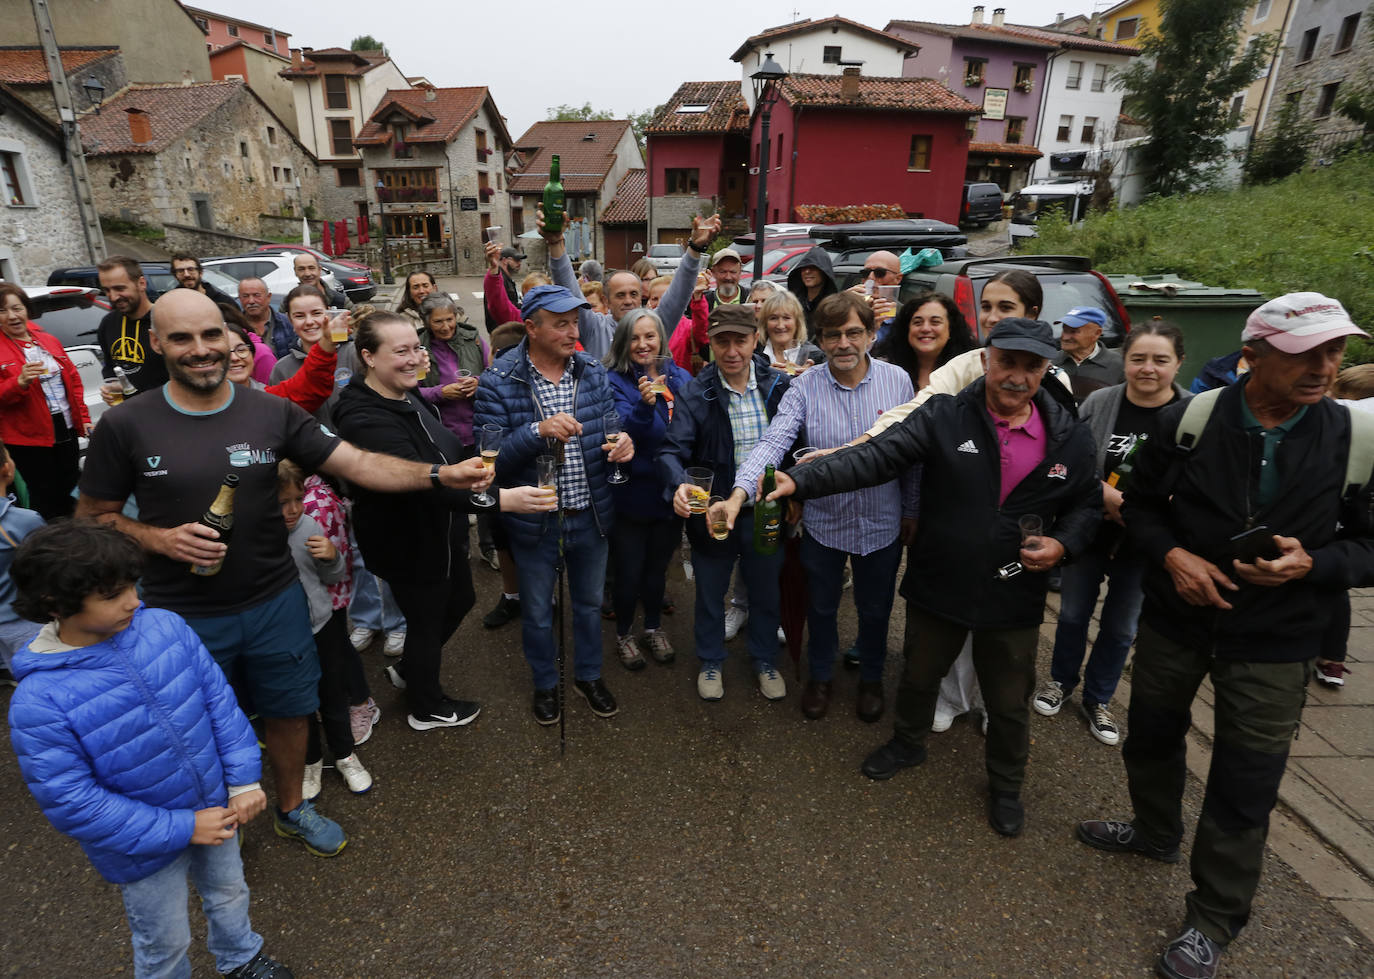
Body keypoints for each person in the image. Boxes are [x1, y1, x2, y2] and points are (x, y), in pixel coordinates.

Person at [75, 287, 495, 857]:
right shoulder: (127, 424)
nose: (200, 350)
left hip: (277, 599)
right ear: (157, 343)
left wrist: (442, 477)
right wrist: (159, 538)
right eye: (181, 338)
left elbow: (357, 463)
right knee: (192, 724)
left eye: (210, 335)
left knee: (292, 709)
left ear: (231, 339)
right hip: (184, 612)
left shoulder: (271, 411)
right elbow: (94, 518)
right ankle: (202, 825)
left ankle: (293, 807)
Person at [1077, 294, 1374, 979]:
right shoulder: (1190, 419)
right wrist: (1174, 557)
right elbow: (1142, 507)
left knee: (1245, 778)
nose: (1324, 367)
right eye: (1306, 353)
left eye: (1336, 351)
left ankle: (1214, 915)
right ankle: (1154, 829)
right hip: (1178, 619)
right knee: (1151, 732)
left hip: (1279, 637)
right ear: (1255, 354)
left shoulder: (1354, 439)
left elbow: (1367, 545)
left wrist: (1316, 564)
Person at [767, 317, 1099, 837]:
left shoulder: (1068, 436)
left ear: (1044, 370)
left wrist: (1064, 544)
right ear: (987, 358)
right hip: (941, 577)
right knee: (920, 675)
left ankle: (1007, 785)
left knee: (1010, 698)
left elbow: (1087, 505)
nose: (1016, 376)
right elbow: (876, 455)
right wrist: (801, 478)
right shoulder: (945, 414)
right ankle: (907, 743)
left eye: (1031, 366)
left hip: (1014, 590)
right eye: (1007, 361)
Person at [7, 521, 294, 979]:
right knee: (164, 938)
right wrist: (182, 826)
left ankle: (241, 956)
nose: (134, 601)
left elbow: (219, 703)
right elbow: (72, 803)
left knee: (230, 892)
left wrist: (242, 778)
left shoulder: (165, 627)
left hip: (216, 808)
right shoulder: (39, 702)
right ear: (55, 604)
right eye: (112, 595)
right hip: (139, 845)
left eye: (132, 586)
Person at [849, 269, 1069, 732]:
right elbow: (917, 411)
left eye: (1005, 308)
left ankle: (991, 702)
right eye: (986, 307)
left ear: (1032, 314)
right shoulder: (969, 364)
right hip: (957, 510)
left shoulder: (1054, 384)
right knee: (949, 616)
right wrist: (863, 442)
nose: (991, 316)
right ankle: (949, 697)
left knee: (999, 626)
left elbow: (1071, 462)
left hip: (1016, 523)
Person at [722, 293, 916, 721]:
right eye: (833, 335)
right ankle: (821, 677)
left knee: (875, 609)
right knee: (822, 608)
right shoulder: (803, 387)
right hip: (825, 524)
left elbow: (909, 455)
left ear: (870, 334)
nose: (844, 343)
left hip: (882, 523)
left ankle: (871, 679)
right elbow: (774, 441)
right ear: (821, 340)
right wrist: (740, 492)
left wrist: (911, 510)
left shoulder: (898, 381)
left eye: (853, 333)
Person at [474, 285, 635, 724]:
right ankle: (546, 684)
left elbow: (611, 427)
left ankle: (587, 676)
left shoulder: (591, 371)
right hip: (537, 521)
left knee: (587, 606)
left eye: (575, 322)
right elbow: (489, 464)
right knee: (540, 614)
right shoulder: (498, 380)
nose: (573, 332)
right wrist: (536, 431)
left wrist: (624, 444)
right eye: (561, 323)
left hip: (590, 514)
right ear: (532, 327)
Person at [1034, 322, 1191, 746]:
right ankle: (1060, 681)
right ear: (1125, 361)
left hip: (1146, 543)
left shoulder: (1194, 414)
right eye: (1138, 358)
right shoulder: (1100, 403)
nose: (1148, 369)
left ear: (1178, 364)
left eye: (1160, 360)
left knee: (1122, 627)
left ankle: (1099, 698)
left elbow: (1203, 481)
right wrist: (1107, 497)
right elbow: (1072, 462)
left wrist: (1149, 511)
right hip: (1091, 530)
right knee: (1071, 614)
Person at [658, 304, 794, 703]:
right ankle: (711, 660)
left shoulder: (779, 385)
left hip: (766, 509)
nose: (732, 350)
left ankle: (765, 659)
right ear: (710, 344)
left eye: (741, 340)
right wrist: (681, 485)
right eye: (722, 341)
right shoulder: (695, 392)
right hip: (715, 510)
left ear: (756, 340)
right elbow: (671, 451)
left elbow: (795, 444)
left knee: (767, 590)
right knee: (710, 590)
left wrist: (798, 490)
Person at [604, 307, 693, 669]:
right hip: (631, 494)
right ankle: (624, 633)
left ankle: (653, 627)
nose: (643, 344)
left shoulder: (681, 377)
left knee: (657, 568)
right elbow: (621, 430)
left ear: (662, 340)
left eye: (650, 336)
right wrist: (644, 407)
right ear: (624, 342)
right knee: (628, 571)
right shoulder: (614, 380)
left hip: (669, 493)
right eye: (635, 337)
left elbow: (694, 427)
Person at [276, 459, 372, 795]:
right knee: (300, 703)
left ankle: (345, 755)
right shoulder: (258, 537)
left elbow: (333, 577)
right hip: (283, 635)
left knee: (332, 693)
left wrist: (332, 557)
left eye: (296, 500)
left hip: (322, 623)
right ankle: (311, 761)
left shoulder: (309, 526)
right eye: (281, 503)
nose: (291, 510)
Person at [543, 205, 717, 361]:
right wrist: (555, 243)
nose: (628, 300)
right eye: (620, 295)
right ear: (606, 301)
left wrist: (695, 248)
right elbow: (569, 289)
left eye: (633, 294)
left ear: (642, 296)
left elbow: (679, 293)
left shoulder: (655, 323)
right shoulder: (594, 327)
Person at [0, 284, 90, 520]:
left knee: (71, 488)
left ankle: (79, 541)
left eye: (16, 308)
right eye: (2, 311)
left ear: (26, 309)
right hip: (27, 439)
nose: (12, 316)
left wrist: (85, 419)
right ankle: (52, 548)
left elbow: (73, 380)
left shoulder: (47, 340)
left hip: (65, 428)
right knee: (43, 498)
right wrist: (18, 383)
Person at [269, 285, 363, 426]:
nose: (309, 322)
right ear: (289, 319)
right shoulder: (281, 369)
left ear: (329, 313)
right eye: (299, 316)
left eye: (316, 313)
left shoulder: (354, 353)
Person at [417, 293, 489, 451]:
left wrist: (478, 382)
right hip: (440, 435)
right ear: (427, 322)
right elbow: (410, 393)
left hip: (477, 430)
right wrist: (440, 393)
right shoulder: (418, 348)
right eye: (438, 321)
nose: (445, 327)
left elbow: (494, 376)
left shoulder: (473, 340)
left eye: (450, 319)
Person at [873, 291, 979, 392]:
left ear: (951, 329)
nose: (925, 329)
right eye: (918, 322)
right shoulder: (884, 371)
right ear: (907, 329)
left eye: (935, 322)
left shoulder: (970, 373)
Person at [0, 439, 43, 682]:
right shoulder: (23, 521)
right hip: (26, 621)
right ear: (7, 469)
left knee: (21, 674)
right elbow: (49, 567)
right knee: (44, 676)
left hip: (2, 626)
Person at [225, 318, 334, 412]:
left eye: (241, 350)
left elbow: (310, 388)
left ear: (253, 356)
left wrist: (327, 343)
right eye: (225, 353)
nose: (235, 358)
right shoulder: (208, 408)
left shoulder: (269, 399)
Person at [97, 255, 167, 395]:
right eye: (107, 290)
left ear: (142, 283)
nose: (113, 297)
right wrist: (111, 388)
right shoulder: (108, 323)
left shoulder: (165, 320)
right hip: (131, 412)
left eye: (119, 288)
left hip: (168, 410)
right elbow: (110, 366)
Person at [1054, 306, 1124, 402]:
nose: (1065, 337)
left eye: (1073, 331)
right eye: (1064, 330)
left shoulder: (1119, 366)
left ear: (1097, 333)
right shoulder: (1049, 363)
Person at [757, 289, 824, 371]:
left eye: (786, 318)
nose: (780, 325)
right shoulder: (754, 354)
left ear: (797, 322)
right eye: (773, 318)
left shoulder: (816, 357)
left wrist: (808, 377)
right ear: (765, 323)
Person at [846, 250, 902, 342]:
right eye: (866, 273)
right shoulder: (850, 306)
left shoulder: (906, 316)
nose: (871, 277)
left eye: (880, 272)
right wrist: (843, 308)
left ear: (898, 278)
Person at [238, 277, 295, 359]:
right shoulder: (235, 328)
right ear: (239, 299)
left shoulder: (287, 323)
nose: (251, 301)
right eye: (245, 296)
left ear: (268, 297)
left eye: (256, 295)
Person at [785, 246, 839, 329]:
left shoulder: (833, 306)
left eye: (813, 267)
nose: (807, 271)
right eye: (804, 267)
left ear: (824, 271)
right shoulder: (792, 303)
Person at [484, 245, 525, 330]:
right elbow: (500, 305)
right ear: (505, 260)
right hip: (503, 330)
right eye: (516, 260)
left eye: (520, 260)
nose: (519, 263)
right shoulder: (500, 279)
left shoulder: (507, 278)